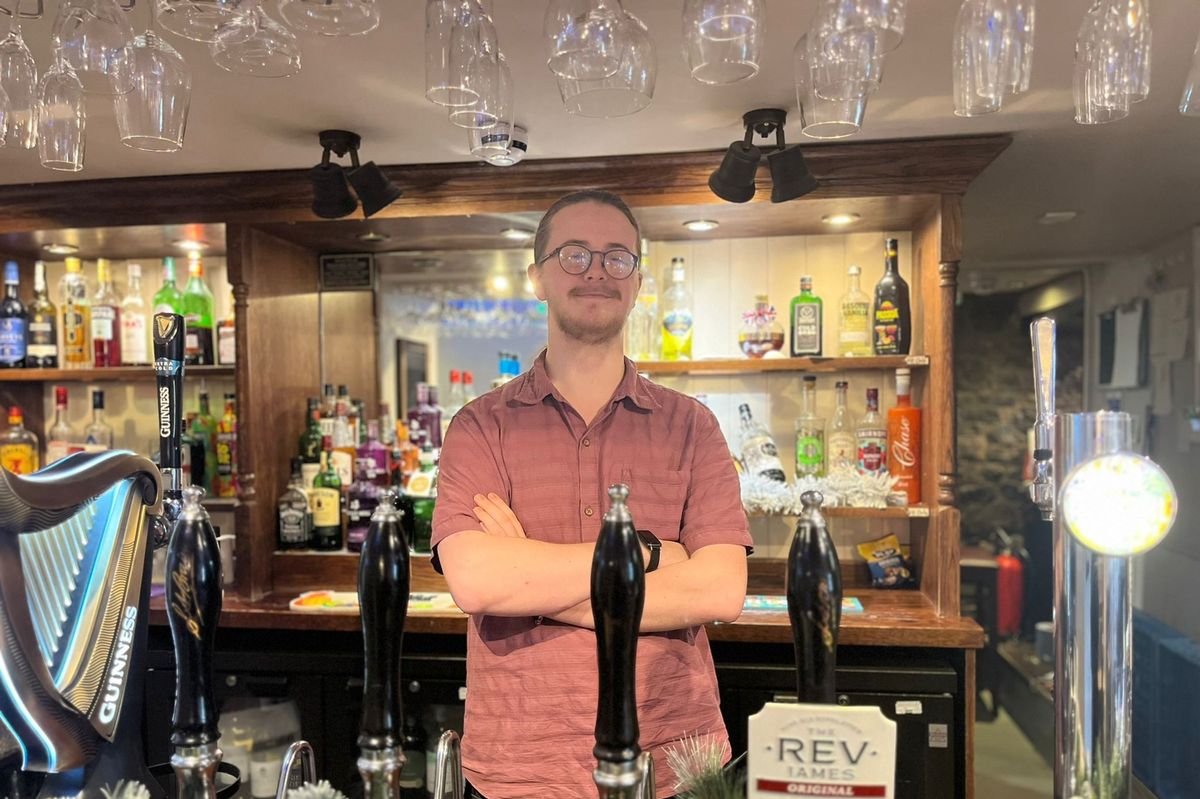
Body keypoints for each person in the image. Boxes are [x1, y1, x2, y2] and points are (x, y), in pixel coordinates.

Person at [431, 189, 752, 799]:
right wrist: (651, 556)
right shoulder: (479, 426)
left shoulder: (692, 425)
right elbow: (476, 581)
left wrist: (531, 582)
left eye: (616, 257)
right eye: (574, 254)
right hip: (519, 765)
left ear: (638, 282)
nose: (597, 271)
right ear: (537, 277)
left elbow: (719, 589)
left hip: (671, 760)